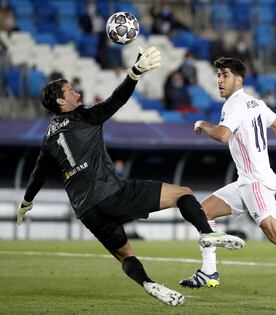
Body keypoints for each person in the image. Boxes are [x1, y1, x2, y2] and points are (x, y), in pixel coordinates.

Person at [16, 47, 244, 307]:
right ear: (60, 102)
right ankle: (206, 233)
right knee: (184, 193)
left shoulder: (49, 137)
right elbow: (116, 100)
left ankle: (149, 284)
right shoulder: (84, 117)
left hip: (86, 211)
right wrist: (135, 73)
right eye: (71, 91)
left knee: (125, 256)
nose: (77, 93)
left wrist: (26, 202)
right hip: (111, 194)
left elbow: (38, 173)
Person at [179, 57, 276, 303]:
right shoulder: (256, 103)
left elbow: (222, 135)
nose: (220, 81)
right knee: (202, 212)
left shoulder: (234, 104)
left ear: (238, 80)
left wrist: (202, 124)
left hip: (255, 182)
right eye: (219, 75)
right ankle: (208, 272)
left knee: (274, 232)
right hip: (247, 181)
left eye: (225, 75)